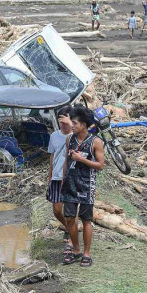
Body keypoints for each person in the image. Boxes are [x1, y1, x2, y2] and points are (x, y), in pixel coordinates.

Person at [61, 105, 104, 267]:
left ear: (83, 125)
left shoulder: (96, 142)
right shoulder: (69, 139)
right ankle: (76, 250)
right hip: (70, 184)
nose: (71, 125)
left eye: (74, 123)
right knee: (70, 218)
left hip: (87, 185)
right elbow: (67, 161)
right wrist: (63, 180)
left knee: (86, 219)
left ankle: (87, 253)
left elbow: (100, 165)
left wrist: (82, 160)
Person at [47, 106, 73, 247]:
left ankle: (71, 237)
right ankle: (69, 228)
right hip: (56, 177)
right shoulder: (54, 136)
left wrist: (71, 124)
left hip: (70, 178)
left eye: (65, 122)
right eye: (60, 122)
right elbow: (52, 155)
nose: (62, 125)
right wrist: (50, 174)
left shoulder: (76, 136)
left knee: (70, 210)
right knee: (56, 210)